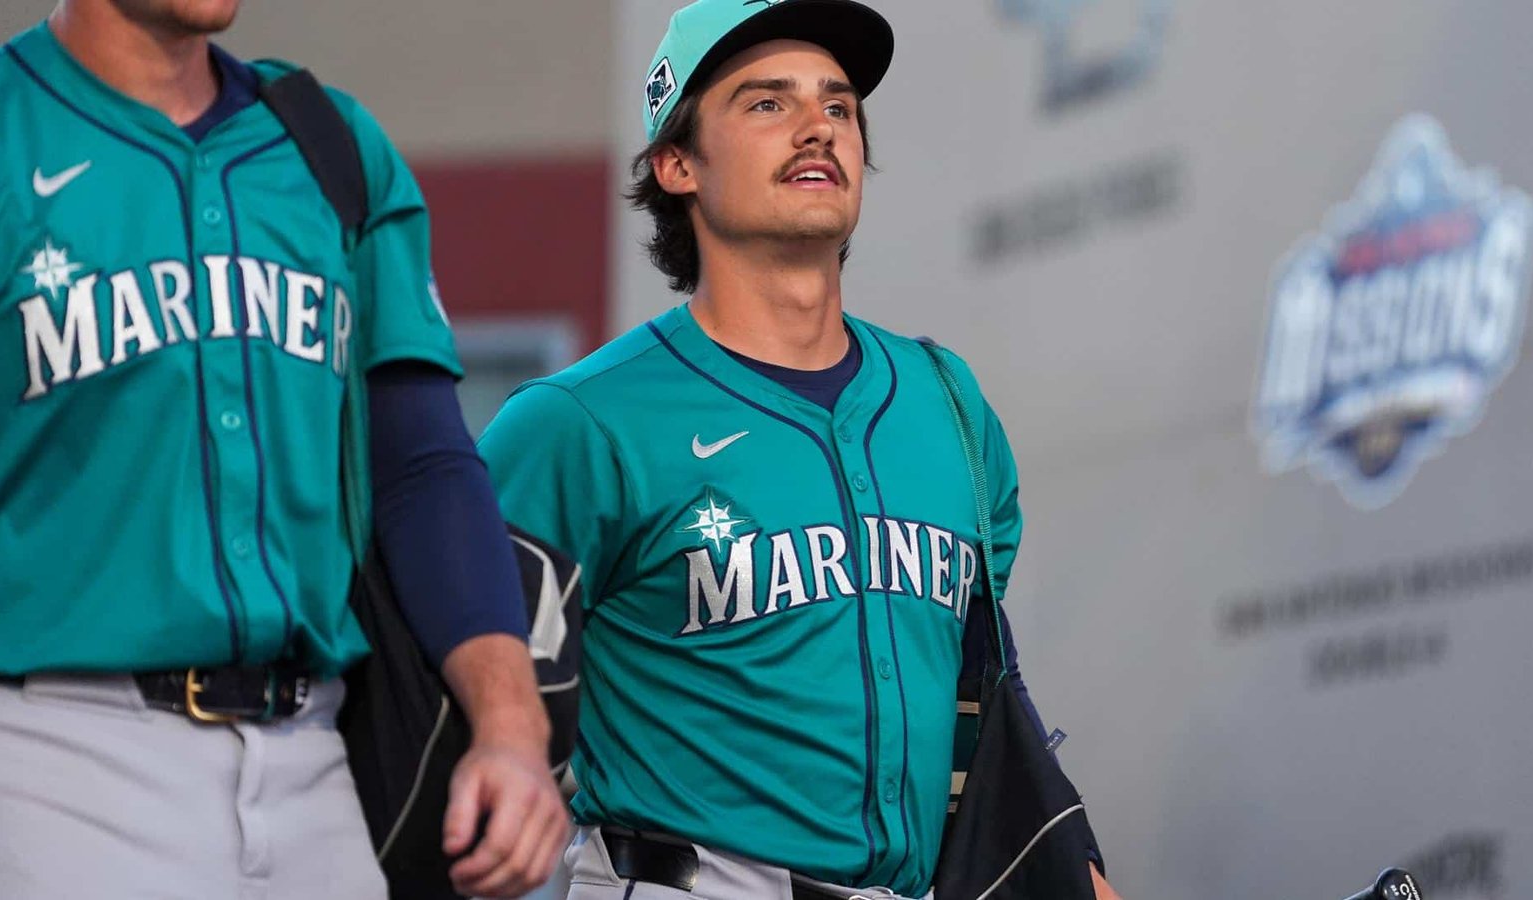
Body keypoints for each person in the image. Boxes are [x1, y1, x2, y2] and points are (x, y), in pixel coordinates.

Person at [478, 1, 1121, 898]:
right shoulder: (576, 423)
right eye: (767, 103)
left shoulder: (946, 403)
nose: (819, 126)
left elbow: (981, 695)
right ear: (675, 163)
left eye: (840, 105)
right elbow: (456, 701)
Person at [0, 1, 567, 897]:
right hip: (50, 752)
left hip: (311, 760)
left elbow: (419, 466)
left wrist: (510, 727)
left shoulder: (325, 143)